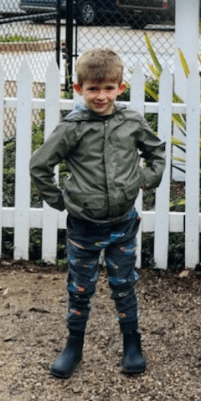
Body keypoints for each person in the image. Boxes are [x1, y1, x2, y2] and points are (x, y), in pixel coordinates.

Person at [30, 48, 166, 378]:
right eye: (93, 89)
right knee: (80, 288)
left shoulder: (131, 122)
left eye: (108, 88)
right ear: (79, 90)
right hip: (84, 228)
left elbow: (157, 152)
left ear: (120, 87)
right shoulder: (71, 128)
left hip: (123, 225)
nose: (101, 96)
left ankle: (132, 344)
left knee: (124, 285)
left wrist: (145, 179)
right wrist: (61, 201)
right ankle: (73, 345)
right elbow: (40, 165)